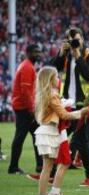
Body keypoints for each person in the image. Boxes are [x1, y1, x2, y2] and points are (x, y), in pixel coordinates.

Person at [34, 66, 88, 195]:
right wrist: (81, 112)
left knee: (49, 167)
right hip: (50, 132)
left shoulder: (46, 94)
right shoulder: (52, 95)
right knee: (48, 168)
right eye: (56, 76)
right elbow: (63, 115)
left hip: (49, 132)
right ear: (50, 80)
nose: (59, 79)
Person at [51, 27, 89, 186]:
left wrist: (78, 55)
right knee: (80, 140)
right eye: (71, 41)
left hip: (84, 103)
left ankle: (51, 174)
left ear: (82, 39)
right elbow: (51, 70)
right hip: (67, 103)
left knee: (75, 138)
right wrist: (60, 52)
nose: (74, 43)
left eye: (77, 40)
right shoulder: (66, 55)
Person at [8, 44, 43, 174]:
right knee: (20, 137)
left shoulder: (27, 65)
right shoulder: (27, 67)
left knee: (36, 135)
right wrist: (32, 109)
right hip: (24, 109)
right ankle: (13, 167)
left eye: (39, 52)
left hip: (23, 107)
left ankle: (40, 165)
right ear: (28, 53)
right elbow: (25, 92)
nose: (38, 54)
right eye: (35, 52)